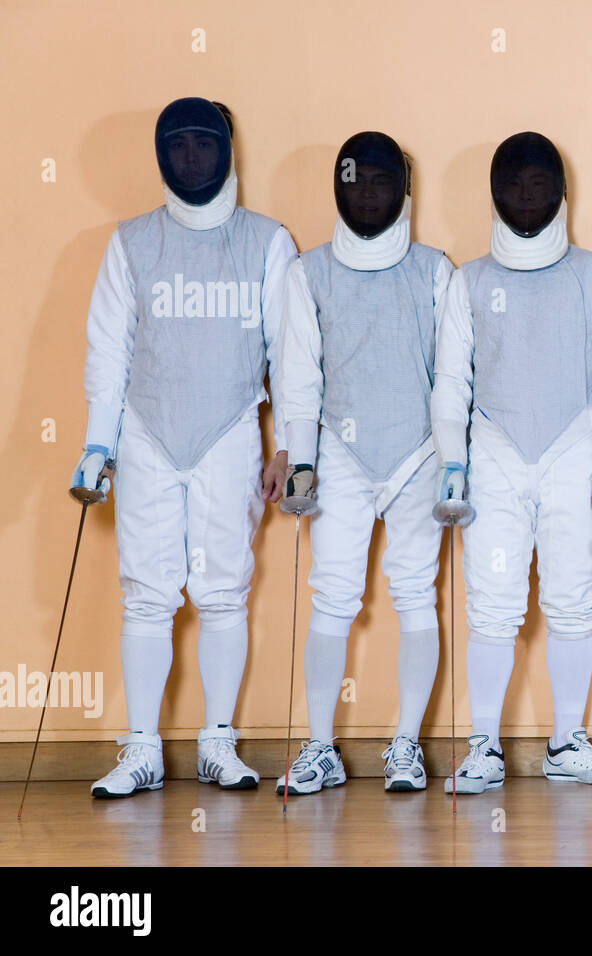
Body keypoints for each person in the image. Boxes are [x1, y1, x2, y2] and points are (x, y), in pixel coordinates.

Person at [73, 97, 297, 797]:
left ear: (226, 150)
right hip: (145, 433)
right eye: (179, 147)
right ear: (163, 155)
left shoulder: (267, 240)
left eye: (204, 145)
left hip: (230, 429)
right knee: (146, 593)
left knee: (224, 590)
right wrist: (97, 444)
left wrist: (289, 444)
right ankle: (141, 748)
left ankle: (218, 745)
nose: (192, 158)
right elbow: (109, 349)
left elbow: (290, 352)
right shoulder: (131, 241)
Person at [431, 131, 592, 792]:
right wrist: (452, 463)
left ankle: (567, 741)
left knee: (573, 597)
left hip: (573, 450)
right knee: (492, 603)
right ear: (496, 192)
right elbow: (451, 383)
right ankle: (483, 747)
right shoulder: (471, 279)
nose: (526, 193)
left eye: (537, 182)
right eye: (514, 183)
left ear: (558, 191)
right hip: (492, 452)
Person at [273, 132, 453, 795]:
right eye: (357, 182)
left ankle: (405, 744)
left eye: (381, 181)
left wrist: (453, 460)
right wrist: (301, 465)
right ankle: (320, 745)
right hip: (340, 456)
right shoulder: (308, 272)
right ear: (339, 188)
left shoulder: (435, 270)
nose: (369, 193)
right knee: (333, 594)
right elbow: (299, 378)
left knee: (415, 594)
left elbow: (452, 375)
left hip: (418, 454)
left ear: (404, 189)